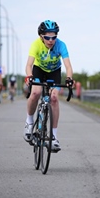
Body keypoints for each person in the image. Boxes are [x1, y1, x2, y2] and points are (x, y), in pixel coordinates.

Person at [23, 20, 74, 152]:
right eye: (47, 37)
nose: (51, 40)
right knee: (35, 92)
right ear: (41, 36)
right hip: (39, 70)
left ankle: (54, 137)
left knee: (54, 98)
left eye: (54, 37)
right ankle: (29, 122)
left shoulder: (61, 45)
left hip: (54, 72)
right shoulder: (36, 45)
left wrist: (69, 78)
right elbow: (29, 65)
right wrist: (29, 76)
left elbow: (68, 66)